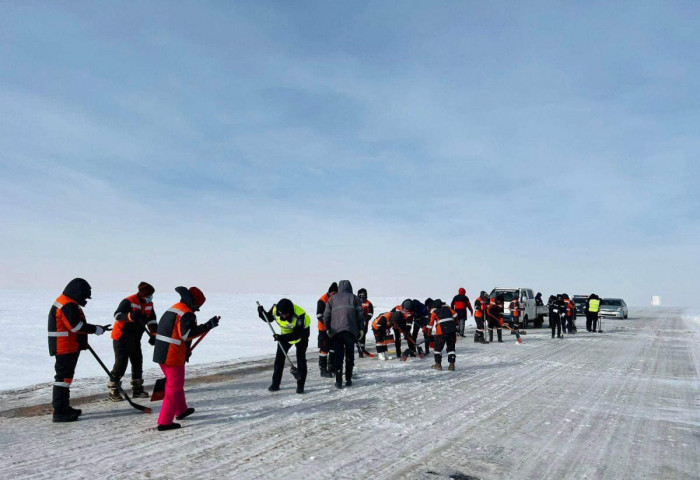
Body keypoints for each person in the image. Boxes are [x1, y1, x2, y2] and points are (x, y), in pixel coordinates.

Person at [153, 286, 220, 431]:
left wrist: (186, 351)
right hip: (172, 355)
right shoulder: (187, 313)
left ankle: (181, 410)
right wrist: (206, 326)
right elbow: (186, 334)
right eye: (197, 306)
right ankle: (164, 421)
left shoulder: (175, 308)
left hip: (162, 352)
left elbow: (175, 333)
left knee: (176, 384)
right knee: (173, 386)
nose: (196, 309)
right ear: (193, 303)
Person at [48, 278, 112, 422]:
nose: (85, 300)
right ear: (77, 293)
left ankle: (64, 407)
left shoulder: (69, 302)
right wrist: (95, 329)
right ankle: (60, 411)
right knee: (63, 378)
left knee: (66, 378)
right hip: (64, 347)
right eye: (84, 297)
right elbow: (75, 326)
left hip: (69, 345)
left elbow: (75, 327)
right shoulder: (67, 304)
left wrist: (84, 339)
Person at [108, 282, 158, 401]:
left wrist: (154, 334)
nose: (150, 297)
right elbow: (117, 315)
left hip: (135, 338)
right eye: (149, 295)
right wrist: (130, 316)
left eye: (151, 295)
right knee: (121, 363)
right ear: (142, 294)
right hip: (121, 337)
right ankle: (113, 389)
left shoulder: (149, 304)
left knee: (137, 362)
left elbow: (152, 320)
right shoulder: (128, 301)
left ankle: (137, 389)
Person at [258, 298, 310, 393]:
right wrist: (262, 313)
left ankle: (300, 386)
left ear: (290, 311)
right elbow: (269, 318)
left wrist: (282, 338)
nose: (283, 316)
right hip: (285, 335)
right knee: (279, 359)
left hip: (302, 334)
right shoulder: (275, 310)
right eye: (282, 313)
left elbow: (297, 335)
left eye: (285, 314)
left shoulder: (300, 316)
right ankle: (275, 384)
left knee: (300, 358)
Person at [323, 280, 364, 388]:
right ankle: (349, 379)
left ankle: (338, 381)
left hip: (336, 332)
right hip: (350, 332)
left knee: (338, 355)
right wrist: (361, 329)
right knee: (349, 355)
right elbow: (360, 315)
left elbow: (326, 315)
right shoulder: (354, 298)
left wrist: (327, 328)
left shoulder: (332, 299)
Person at [428, 300, 458, 371]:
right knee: (451, 348)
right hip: (452, 330)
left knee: (438, 348)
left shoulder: (434, 312)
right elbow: (455, 315)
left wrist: (429, 334)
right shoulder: (448, 308)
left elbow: (431, 324)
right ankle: (451, 365)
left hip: (441, 332)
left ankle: (438, 365)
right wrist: (455, 323)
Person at [316, 282, 338, 377]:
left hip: (334, 328)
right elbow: (319, 315)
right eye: (333, 294)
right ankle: (323, 369)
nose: (334, 296)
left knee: (333, 348)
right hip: (323, 329)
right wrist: (327, 324)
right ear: (329, 292)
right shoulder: (322, 300)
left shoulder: (337, 299)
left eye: (335, 294)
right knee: (324, 348)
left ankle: (331, 367)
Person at [357, 288, 374, 356]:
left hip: (364, 324)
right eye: (361, 294)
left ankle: (362, 350)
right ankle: (358, 349)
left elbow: (370, 313)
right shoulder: (355, 302)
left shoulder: (368, 303)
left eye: (363, 295)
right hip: (356, 323)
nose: (362, 296)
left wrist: (365, 320)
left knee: (362, 337)